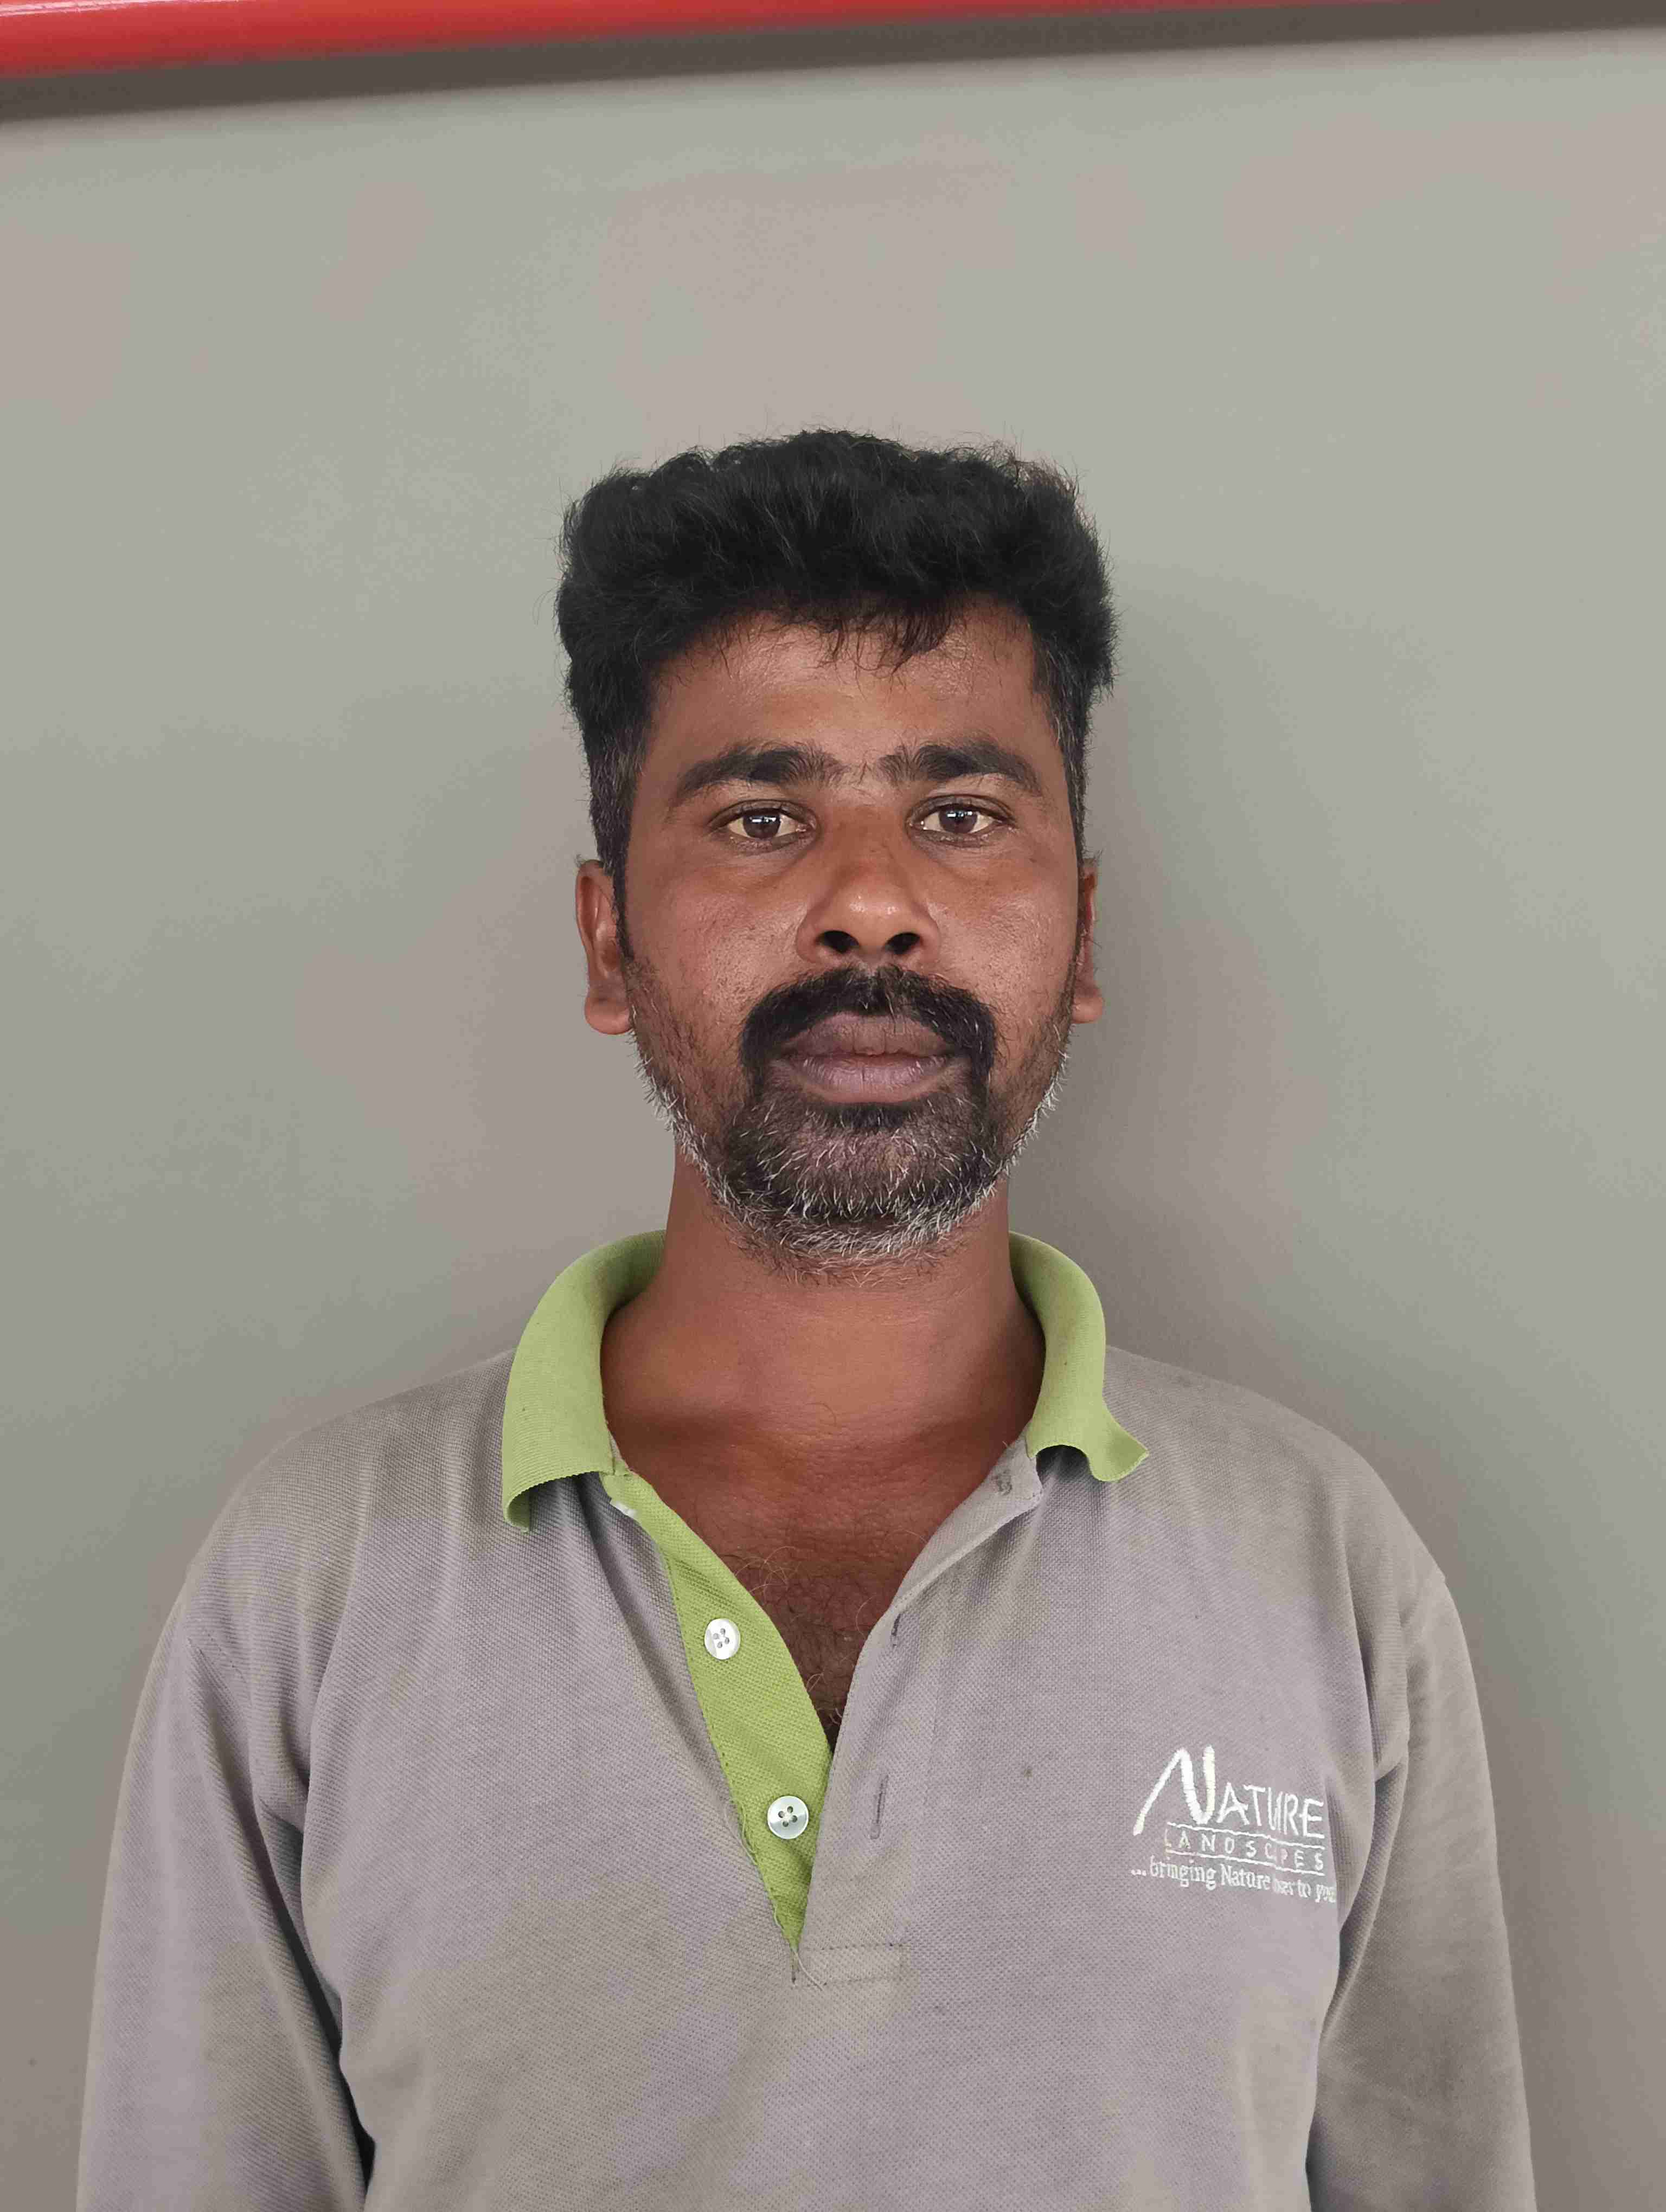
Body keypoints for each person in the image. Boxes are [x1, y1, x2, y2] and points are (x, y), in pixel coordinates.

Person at [77, 429, 1536, 2209]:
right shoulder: (316, 1579)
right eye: (762, 820)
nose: (870, 906)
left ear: (1082, 934)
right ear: (608, 944)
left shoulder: (1323, 1565)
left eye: (961, 816)